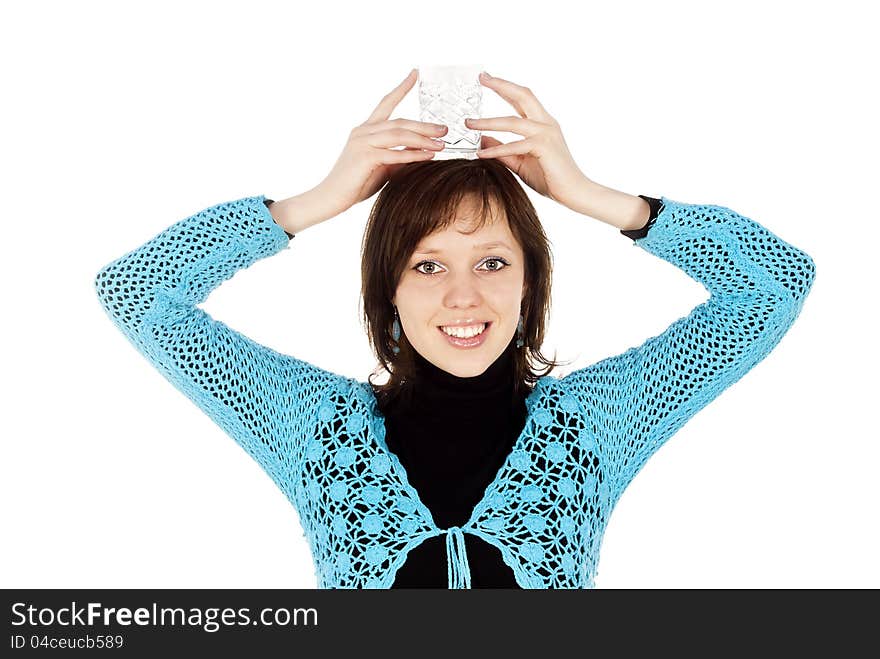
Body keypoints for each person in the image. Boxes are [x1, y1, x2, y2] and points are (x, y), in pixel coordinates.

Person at [94, 69, 816, 589]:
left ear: (530, 281)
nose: (464, 297)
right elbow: (136, 292)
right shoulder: (316, 429)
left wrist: (590, 194)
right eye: (428, 266)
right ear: (389, 292)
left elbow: (774, 285)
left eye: (493, 260)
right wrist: (317, 200)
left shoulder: (593, 424)